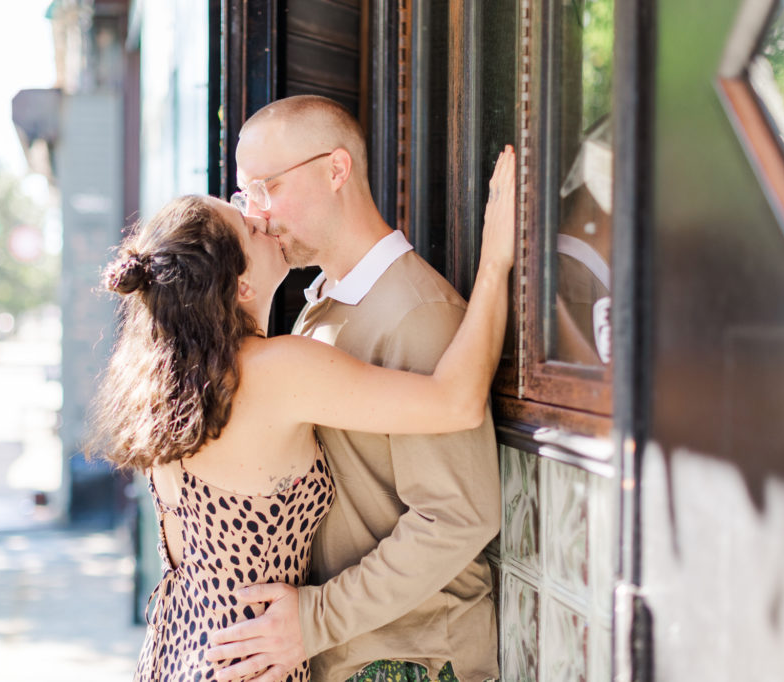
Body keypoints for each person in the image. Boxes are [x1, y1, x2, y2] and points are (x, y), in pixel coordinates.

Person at [87, 142, 515, 682]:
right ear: (240, 284)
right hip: (249, 660)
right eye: (249, 226)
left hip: (183, 648)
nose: (262, 219)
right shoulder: (274, 370)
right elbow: (456, 400)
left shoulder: (170, 391)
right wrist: (497, 262)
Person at [205, 95, 505, 682]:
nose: (258, 215)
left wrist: (314, 620)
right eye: (246, 197)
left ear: (336, 170)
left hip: (410, 659)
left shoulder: (416, 312)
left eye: (266, 187)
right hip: (347, 653)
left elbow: (460, 516)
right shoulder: (319, 309)